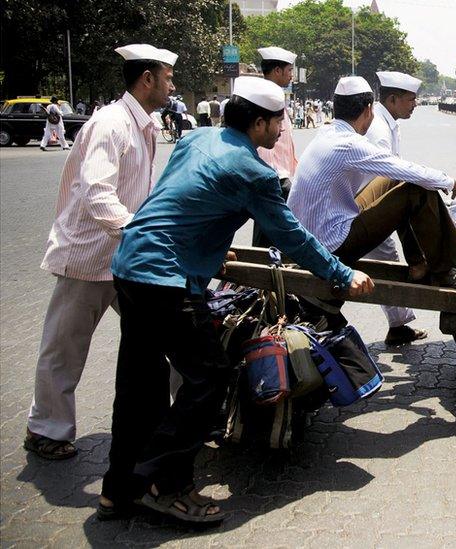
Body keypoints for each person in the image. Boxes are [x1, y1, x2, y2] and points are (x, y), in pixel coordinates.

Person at [100, 76, 373, 524]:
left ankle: (117, 490)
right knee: (209, 377)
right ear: (259, 122)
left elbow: (176, 198)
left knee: (138, 386)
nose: (284, 130)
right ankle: (163, 485)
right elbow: (292, 238)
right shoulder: (255, 173)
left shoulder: (196, 138)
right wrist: (343, 274)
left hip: (130, 263)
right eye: (279, 121)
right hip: (167, 279)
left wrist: (207, 241)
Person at [25, 44, 177, 463]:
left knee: (169, 335)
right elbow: (96, 192)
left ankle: (185, 419)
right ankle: (46, 429)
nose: (172, 84)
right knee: (65, 347)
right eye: (167, 76)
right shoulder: (111, 123)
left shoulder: (144, 124)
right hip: (89, 255)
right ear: (147, 79)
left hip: (127, 258)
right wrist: (138, 231)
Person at [289, 76, 456, 293]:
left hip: (312, 234)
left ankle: (418, 263)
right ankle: (447, 268)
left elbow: (397, 170)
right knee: (417, 190)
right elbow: (408, 170)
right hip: (331, 244)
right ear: (368, 109)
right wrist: (452, 182)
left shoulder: (327, 132)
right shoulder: (349, 144)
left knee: (399, 178)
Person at [352, 70, 431, 346]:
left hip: (370, 202)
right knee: (385, 259)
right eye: (411, 99)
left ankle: (398, 324)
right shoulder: (379, 132)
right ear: (394, 99)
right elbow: (385, 176)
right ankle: (399, 322)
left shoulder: (388, 124)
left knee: (385, 259)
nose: (415, 104)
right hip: (364, 205)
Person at [253, 46, 300, 247]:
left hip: (280, 175)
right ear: (277, 71)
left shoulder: (276, 97)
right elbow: (268, 147)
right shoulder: (266, 99)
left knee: (268, 232)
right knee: (273, 234)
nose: (291, 75)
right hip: (274, 176)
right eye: (289, 70)